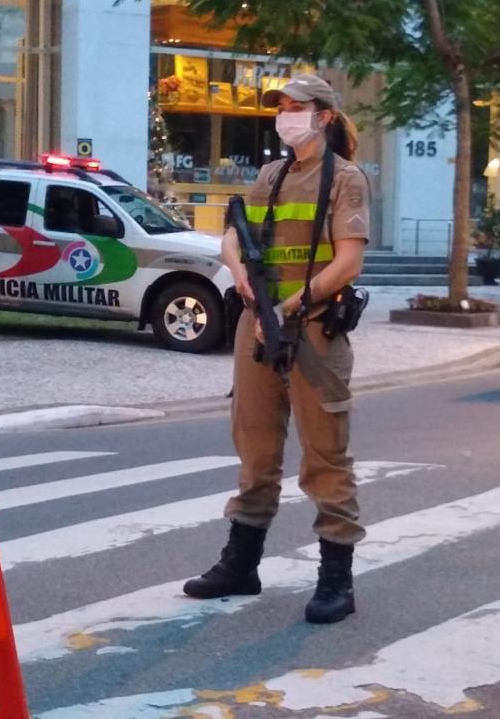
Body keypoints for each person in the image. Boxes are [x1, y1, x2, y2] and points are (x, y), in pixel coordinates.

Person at [182, 74, 370, 624]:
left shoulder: (346, 179)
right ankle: (241, 564)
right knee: (255, 448)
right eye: (282, 107)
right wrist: (240, 275)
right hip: (256, 324)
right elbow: (233, 237)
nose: (286, 115)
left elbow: (348, 263)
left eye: (298, 107)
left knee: (325, 457)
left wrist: (287, 308)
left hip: (313, 328)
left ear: (325, 116)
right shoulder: (271, 173)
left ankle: (337, 578)